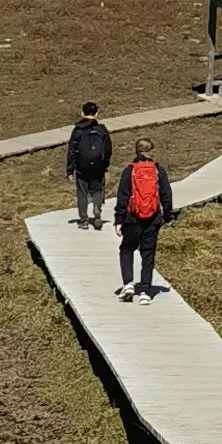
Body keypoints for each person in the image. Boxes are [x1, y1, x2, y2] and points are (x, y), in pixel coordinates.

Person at [115, 136, 173, 300]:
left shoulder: (129, 171)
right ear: (152, 152)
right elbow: (166, 195)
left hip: (132, 219)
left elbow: (122, 197)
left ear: (136, 151)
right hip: (153, 219)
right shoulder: (158, 171)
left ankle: (128, 285)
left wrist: (119, 220)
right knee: (148, 253)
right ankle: (145, 292)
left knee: (126, 249)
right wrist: (166, 216)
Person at [66, 100, 112, 229]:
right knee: (97, 189)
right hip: (98, 168)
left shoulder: (78, 130)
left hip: (82, 168)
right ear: (97, 114)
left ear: (82, 113)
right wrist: (105, 165)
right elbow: (108, 150)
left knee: (82, 192)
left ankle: (84, 220)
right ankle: (97, 213)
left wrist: (70, 170)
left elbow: (71, 151)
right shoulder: (102, 130)